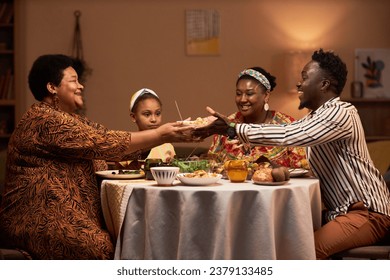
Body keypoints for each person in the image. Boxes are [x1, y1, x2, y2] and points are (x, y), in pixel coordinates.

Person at [194, 49, 390, 259]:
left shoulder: (340, 112)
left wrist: (234, 129)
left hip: (367, 213)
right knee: (276, 237)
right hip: (340, 213)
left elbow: (290, 134)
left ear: (323, 84)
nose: (299, 84)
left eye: (305, 78)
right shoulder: (315, 117)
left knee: (299, 254)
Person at [0, 54, 198, 260]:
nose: (81, 86)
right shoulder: (43, 119)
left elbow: (109, 144)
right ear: (52, 87)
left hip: (63, 216)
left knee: (130, 236)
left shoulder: (72, 120)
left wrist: (167, 135)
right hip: (34, 219)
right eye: (74, 80)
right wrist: (160, 134)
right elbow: (104, 141)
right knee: (101, 248)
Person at [208, 67, 308, 168]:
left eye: (249, 94)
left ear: (266, 95)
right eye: (238, 94)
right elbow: (212, 166)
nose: (242, 99)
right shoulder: (227, 124)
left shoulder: (286, 124)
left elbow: (302, 169)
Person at [128, 88, 175, 162]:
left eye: (158, 113)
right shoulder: (129, 145)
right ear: (133, 117)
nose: (154, 119)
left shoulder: (166, 146)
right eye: (147, 114)